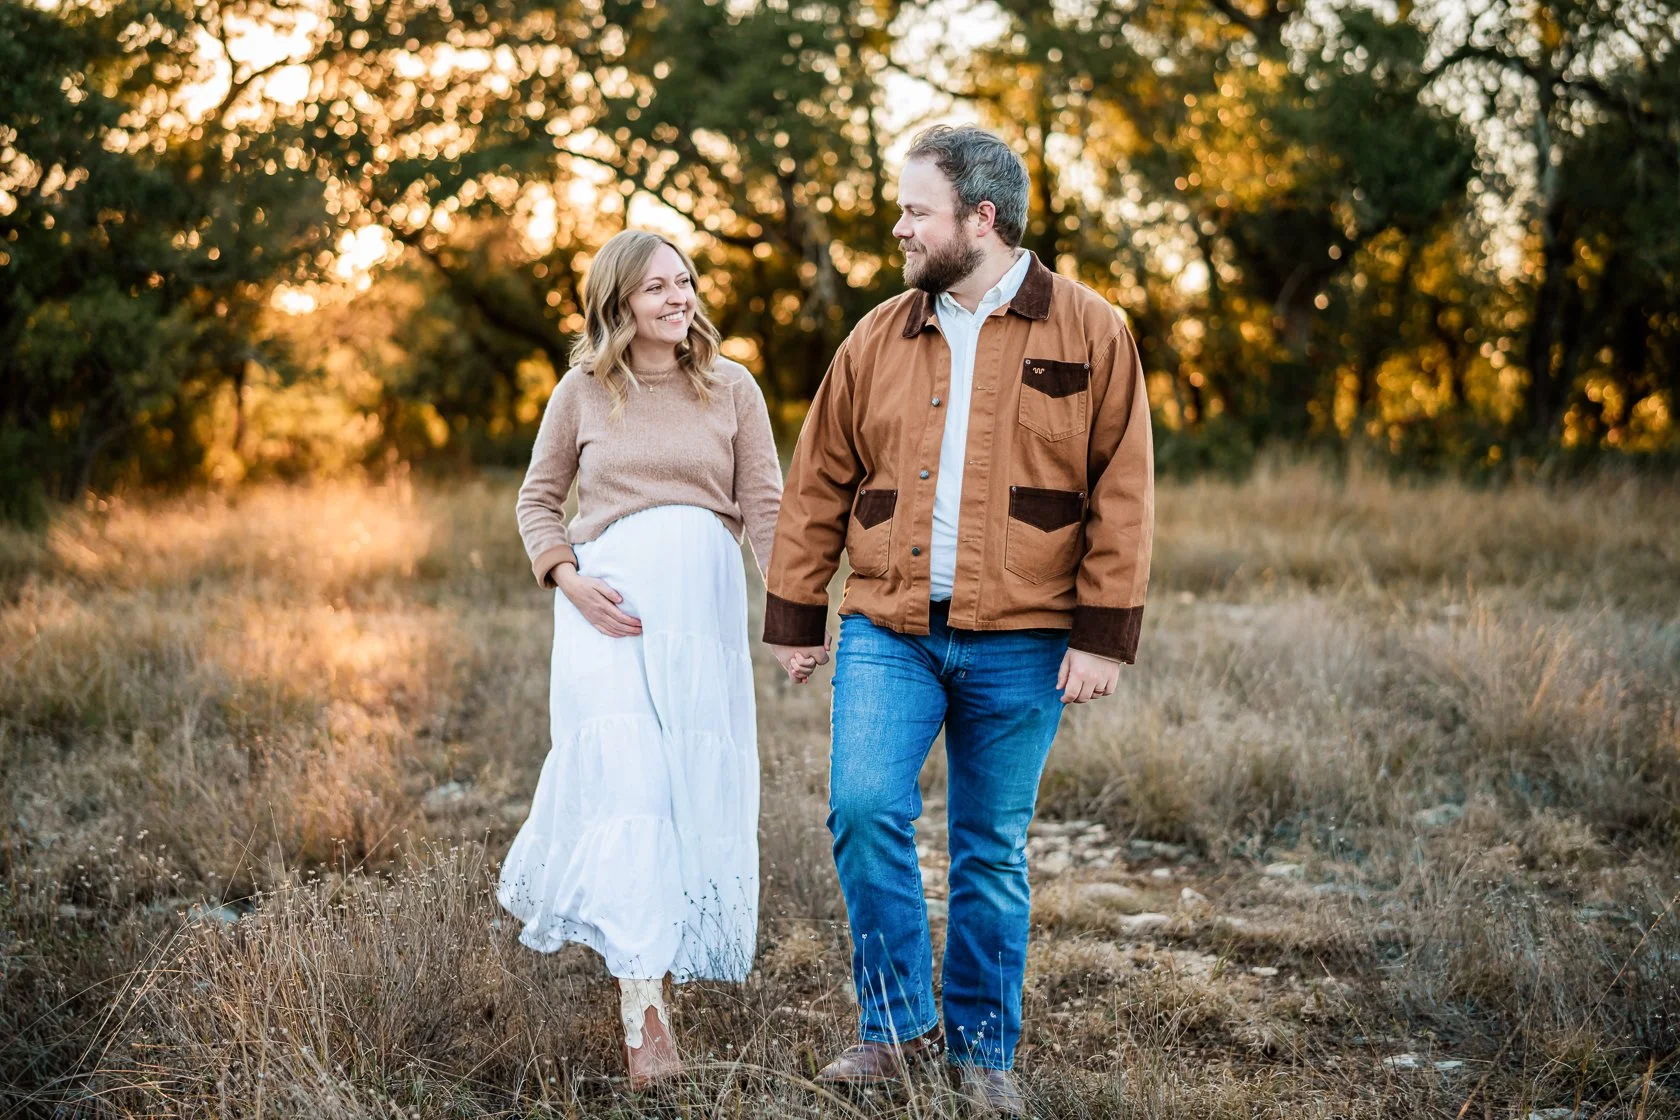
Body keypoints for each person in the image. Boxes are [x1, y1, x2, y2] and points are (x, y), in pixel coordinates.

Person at [763, 124, 1154, 1115]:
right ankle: (894, 1028)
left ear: (982, 218)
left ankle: (984, 1050)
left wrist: (1102, 637)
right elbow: (816, 483)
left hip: (1025, 640)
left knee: (989, 846)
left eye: (915, 210)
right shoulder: (878, 334)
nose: (899, 227)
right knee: (862, 809)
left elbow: (1124, 493)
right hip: (888, 629)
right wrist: (798, 613)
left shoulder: (1093, 331)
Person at [499, 228, 793, 1089]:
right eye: (659, 286)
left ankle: (665, 969)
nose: (680, 297)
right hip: (607, 612)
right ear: (619, 301)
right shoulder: (582, 391)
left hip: (700, 618)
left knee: (682, 793)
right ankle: (645, 1019)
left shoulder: (732, 388)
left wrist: (792, 618)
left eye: (687, 281)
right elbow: (538, 498)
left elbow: (766, 508)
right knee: (628, 788)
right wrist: (567, 579)